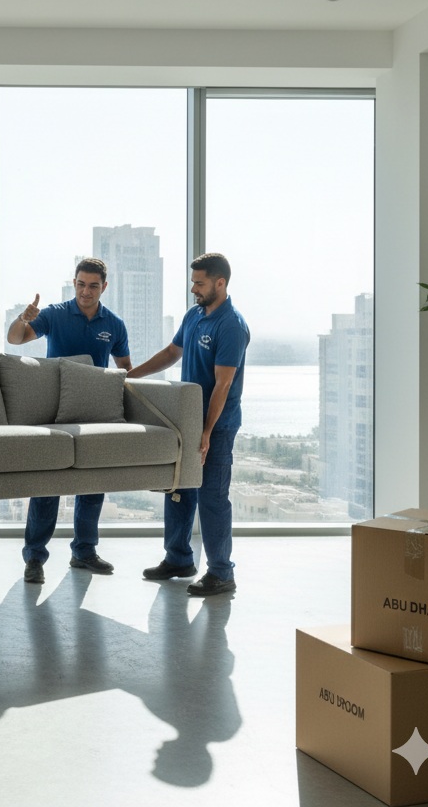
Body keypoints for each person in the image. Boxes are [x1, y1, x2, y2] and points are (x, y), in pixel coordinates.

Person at [129, 252, 249, 597]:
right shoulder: (194, 315)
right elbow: (171, 353)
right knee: (178, 492)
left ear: (220, 283)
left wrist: (207, 433)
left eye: (199, 283)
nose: (193, 289)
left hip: (218, 426)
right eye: (192, 282)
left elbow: (223, 384)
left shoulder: (232, 325)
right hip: (185, 421)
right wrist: (130, 375)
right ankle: (179, 558)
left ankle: (222, 573)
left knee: (212, 497)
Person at [7, 257, 132, 584]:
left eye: (93, 286)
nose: (85, 291)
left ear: (104, 287)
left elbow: (125, 370)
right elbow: (16, 339)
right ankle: (34, 557)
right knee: (48, 484)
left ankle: (84, 552)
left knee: (92, 484)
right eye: (80, 284)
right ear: (73, 283)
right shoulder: (55, 314)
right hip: (54, 408)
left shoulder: (115, 325)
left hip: (95, 409)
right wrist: (23, 317)